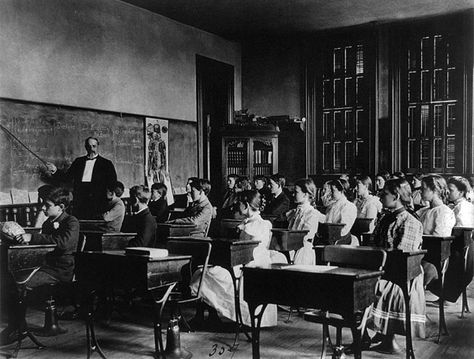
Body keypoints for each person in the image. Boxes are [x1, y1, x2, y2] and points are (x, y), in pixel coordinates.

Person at [190, 190, 281, 328]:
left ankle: (207, 317)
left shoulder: (255, 225)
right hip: (246, 263)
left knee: (205, 274)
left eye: (239, 203)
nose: (236, 206)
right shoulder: (254, 222)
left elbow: (248, 252)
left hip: (250, 268)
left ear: (246, 205)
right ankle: (208, 316)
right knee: (203, 272)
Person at [1, 188, 80, 345]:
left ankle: (17, 329)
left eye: (47, 205)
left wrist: (32, 237)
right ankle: (17, 326)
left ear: (61, 207)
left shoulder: (71, 222)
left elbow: (63, 244)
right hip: (45, 266)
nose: (42, 208)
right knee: (11, 279)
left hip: (60, 270)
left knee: (19, 285)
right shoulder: (48, 223)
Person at [368, 178, 426, 353]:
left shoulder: (410, 221)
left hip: (402, 275)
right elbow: (374, 245)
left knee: (368, 287)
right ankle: (363, 336)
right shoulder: (386, 218)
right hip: (384, 269)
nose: (380, 197)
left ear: (396, 196)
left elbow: (402, 257)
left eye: (384, 194)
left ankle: (374, 335)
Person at [45, 137, 117, 219]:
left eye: (94, 146)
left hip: (98, 202)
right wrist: (55, 170)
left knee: (96, 225)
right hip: (80, 201)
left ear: (98, 146)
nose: (91, 149)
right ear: (85, 147)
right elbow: (67, 178)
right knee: (80, 225)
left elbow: (112, 183)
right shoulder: (79, 162)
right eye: (89, 146)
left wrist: (108, 198)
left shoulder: (106, 163)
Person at [416, 174, 456, 289]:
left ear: (434, 190)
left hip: (433, 257)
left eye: (423, 189)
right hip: (420, 252)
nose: (420, 191)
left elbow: (439, 240)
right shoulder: (423, 211)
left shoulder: (444, 212)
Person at [285, 178, 325, 265]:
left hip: (303, 252)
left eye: (296, 192)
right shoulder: (295, 212)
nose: (293, 194)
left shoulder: (312, 214)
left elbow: (306, 236)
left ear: (306, 194)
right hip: (292, 248)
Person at [325, 179, 357, 244]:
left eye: (333, 191)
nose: (331, 193)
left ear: (342, 191)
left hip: (341, 239)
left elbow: (344, 230)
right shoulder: (331, 206)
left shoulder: (349, 206)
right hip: (329, 237)